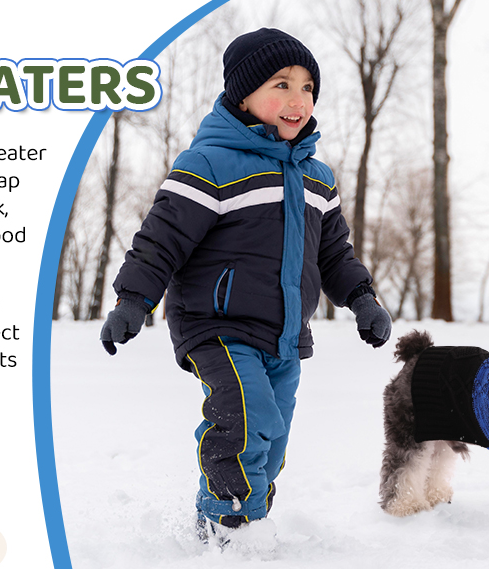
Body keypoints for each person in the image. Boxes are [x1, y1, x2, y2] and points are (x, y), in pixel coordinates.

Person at [99, 27, 392, 543]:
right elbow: (160, 241)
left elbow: (334, 254)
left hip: (282, 335)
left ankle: (239, 516)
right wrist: (132, 301)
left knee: (272, 434)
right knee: (246, 416)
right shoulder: (210, 164)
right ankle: (229, 525)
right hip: (217, 327)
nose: (296, 99)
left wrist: (362, 298)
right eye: (281, 84)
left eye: (307, 87)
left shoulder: (318, 178)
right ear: (243, 94)